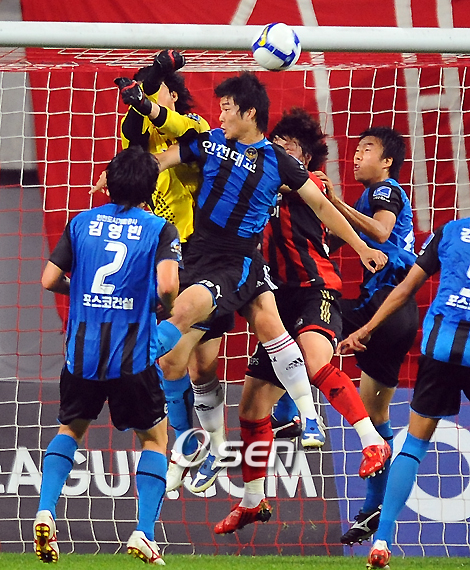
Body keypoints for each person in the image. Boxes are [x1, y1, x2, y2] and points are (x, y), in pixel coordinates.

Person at [151, 73, 387, 491]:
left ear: (249, 113)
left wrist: (361, 245)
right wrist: (125, 176)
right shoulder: (209, 143)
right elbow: (161, 160)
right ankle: (210, 449)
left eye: (227, 108)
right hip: (197, 259)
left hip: (239, 263)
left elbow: (323, 207)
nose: (220, 115)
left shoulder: (280, 164)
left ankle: (311, 418)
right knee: (182, 364)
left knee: (244, 324)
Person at [211, 108, 392, 533]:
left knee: (313, 360)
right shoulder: (261, 183)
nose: (276, 151)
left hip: (316, 289)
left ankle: (372, 442)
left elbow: (315, 198)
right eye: (274, 144)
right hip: (274, 299)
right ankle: (252, 500)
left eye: (287, 146)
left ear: (305, 158)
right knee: (251, 405)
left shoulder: (312, 183)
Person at [34, 146, 182, 565]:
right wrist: (161, 308)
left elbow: (49, 279)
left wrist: (81, 290)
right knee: (155, 439)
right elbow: (168, 287)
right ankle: (143, 532)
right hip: (132, 358)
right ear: (150, 187)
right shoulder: (159, 228)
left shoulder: (81, 222)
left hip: (81, 356)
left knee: (70, 430)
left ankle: (45, 510)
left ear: (109, 182)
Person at [95, 52, 233, 494]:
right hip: (156, 257)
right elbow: (135, 129)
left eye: (155, 93)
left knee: (197, 367)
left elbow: (173, 131)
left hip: (200, 255)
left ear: (172, 95)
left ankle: (207, 449)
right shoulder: (136, 134)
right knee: (175, 364)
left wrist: (154, 78)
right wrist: (142, 94)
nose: (147, 103)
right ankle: (191, 447)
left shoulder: (196, 129)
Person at [338, 217, 470, 568]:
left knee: (413, 446)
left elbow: (405, 288)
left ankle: (382, 539)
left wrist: (366, 329)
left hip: (440, 347)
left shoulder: (451, 231)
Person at [319, 126, 419, 545]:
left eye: (367, 149)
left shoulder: (385, 191)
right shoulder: (368, 197)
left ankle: (291, 412)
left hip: (384, 306)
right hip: (395, 316)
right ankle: (373, 509)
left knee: (302, 321)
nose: (357, 156)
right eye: (356, 150)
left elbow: (379, 232)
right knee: (376, 417)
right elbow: (343, 239)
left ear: (388, 161)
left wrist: (335, 203)